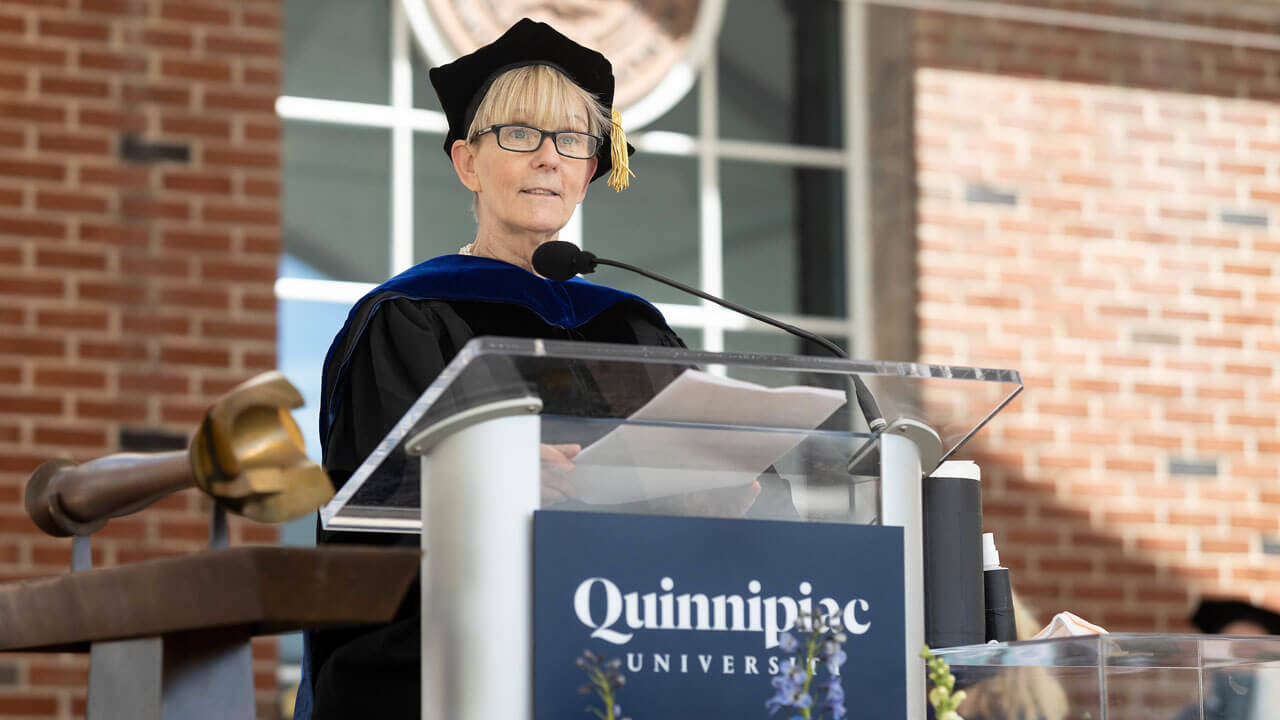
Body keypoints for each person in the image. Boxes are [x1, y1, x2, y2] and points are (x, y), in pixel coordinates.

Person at [296, 19, 709, 720]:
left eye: (572, 142)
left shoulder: (634, 327)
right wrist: (491, 477)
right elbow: (372, 500)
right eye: (520, 135)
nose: (548, 159)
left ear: (589, 170)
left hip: (639, 637)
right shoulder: (410, 317)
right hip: (456, 650)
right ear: (467, 163)